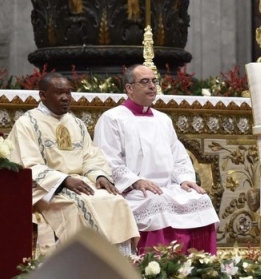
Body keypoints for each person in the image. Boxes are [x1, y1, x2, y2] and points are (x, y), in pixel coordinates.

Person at [93, 64, 219, 254]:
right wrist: (135, 181)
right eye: (144, 82)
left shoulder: (163, 120)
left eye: (154, 81)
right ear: (129, 88)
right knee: (157, 205)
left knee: (200, 200)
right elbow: (107, 159)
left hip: (167, 187)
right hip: (132, 191)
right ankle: (155, 265)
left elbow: (178, 156)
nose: (152, 86)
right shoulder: (112, 118)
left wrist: (185, 180)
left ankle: (200, 265)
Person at [7, 73, 139, 254]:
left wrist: (99, 175)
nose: (65, 98)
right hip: (47, 188)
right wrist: (64, 180)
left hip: (81, 181)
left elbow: (91, 156)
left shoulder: (76, 123)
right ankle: (87, 265)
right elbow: (28, 164)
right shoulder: (27, 123)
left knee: (116, 201)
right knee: (79, 205)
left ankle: (121, 264)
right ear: (43, 95)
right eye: (59, 93)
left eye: (69, 93)